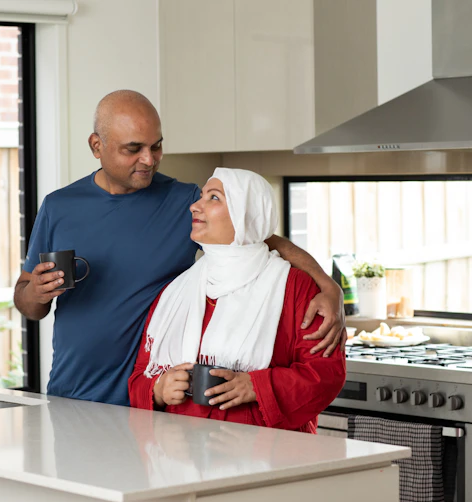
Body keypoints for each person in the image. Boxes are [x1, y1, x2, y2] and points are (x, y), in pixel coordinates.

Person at [13, 90, 346, 406]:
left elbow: (256, 237)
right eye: (133, 149)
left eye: (156, 146)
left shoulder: (184, 201)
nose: (149, 159)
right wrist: (37, 294)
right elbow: (27, 300)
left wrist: (329, 286)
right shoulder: (59, 206)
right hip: (72, 393)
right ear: (96, 145)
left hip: (150, 396)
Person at [129, 168, 346, 432]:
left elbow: (324, 375)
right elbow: (141, 372)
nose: (195, 206)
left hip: (265, 453)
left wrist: (257, 386)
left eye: (214, 198)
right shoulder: (176, 292)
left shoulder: (295, 287)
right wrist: (158, 390)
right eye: (201, 197)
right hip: (179, 456)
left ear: (246, 215)